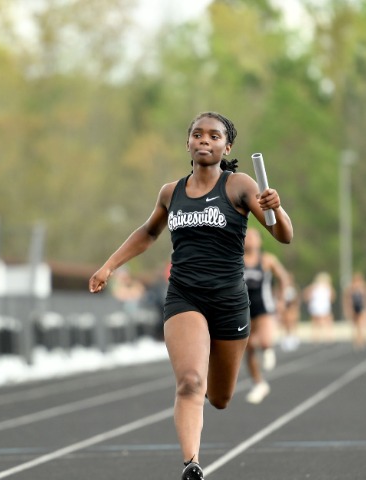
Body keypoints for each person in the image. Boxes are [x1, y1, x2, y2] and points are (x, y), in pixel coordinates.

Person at [89, 111, 293, 480]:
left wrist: (275, 207)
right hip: (185, 297)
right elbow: (148, 232)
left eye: (214, 136)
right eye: (198, 134)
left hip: (229, 302)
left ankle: (209, 392)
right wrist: (109, 266)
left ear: (227, 147)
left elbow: (284, 235)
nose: (204, 140)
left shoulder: (240, 185)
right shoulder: (171, 192)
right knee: (189, 383)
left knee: (220, 397)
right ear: (188, 142)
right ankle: (192, 464)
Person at [243, 227, 289, 404]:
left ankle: (268, 348)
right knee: (248, 348)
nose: (249, 239)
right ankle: (258, 383)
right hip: (244, 310)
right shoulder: (236, 260)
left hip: (265, 308)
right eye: (247, 236)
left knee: (265, 340)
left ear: (260, 241)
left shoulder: (267, 260)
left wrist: (281, 299)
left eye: (253, 237)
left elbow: (283, 278)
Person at [342, 272, 366, 350]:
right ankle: (357, 341)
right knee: (356, 326)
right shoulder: (350, 288)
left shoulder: (365, 287)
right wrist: (347, 310)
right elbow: (347, 300)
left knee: (362, 325)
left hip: (363, 308)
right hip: (354, 309)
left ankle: (362, 339)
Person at [303, 272, 336, 343]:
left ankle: (317, 337)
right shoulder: (321, 287)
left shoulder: (317, 287)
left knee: (317, 322)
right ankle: (326, 337)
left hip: (318, 306)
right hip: (321, 306)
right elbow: (332, 297)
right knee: (324, 322)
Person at [280, 272, 301, 352]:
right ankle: (287, 338)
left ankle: (294, 338)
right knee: (286, 323)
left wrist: (294, 306)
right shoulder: (282, 289)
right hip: (285, 309)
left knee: (293, 322)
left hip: (292, 308)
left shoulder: (293, 288)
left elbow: (296, 299)